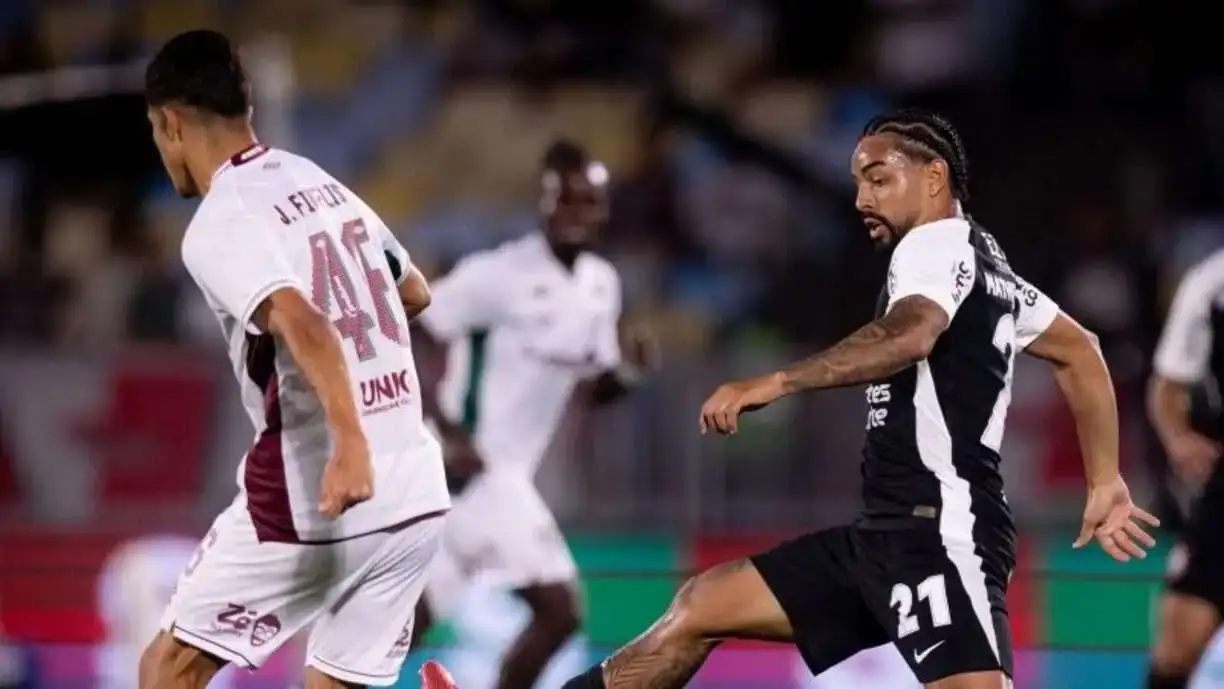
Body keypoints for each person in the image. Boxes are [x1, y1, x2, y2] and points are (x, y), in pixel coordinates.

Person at [563, 108, 1160, 689]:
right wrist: (1104, 479)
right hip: (884, 534)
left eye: (878, 179)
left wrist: (778, 381)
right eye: (857, 183)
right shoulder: (985, 263)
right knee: (703, 605)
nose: (861, 200)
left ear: (934, 177)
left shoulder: (934, 247)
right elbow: (1080, 350)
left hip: (939, 536)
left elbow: (911, 334)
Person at [138, 30, 450, 689]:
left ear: (170, 122)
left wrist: (350, 444)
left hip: (315, 497)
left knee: (167, 669)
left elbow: (303, 321)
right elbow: (414, 291)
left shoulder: (220, 220)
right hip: (416, 492)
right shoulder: (317, 180)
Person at [409, 139, 652, 689]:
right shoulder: (497, 273)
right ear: (542, 203)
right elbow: (409, 329)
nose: (575, 213)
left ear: (604, 209)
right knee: (558, 609)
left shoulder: (600, 285)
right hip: (473, 466)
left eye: (588, 201)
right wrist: (444, 430)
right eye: (563, 199)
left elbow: (593, 388)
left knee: (408, 624)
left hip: (503, 474)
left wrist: (629, 372)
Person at [1146, 249, 1224, 689]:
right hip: (1223, 493)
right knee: (1176, 652)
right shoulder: (1212, 284)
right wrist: (1179, 439)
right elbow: (1168, 382)